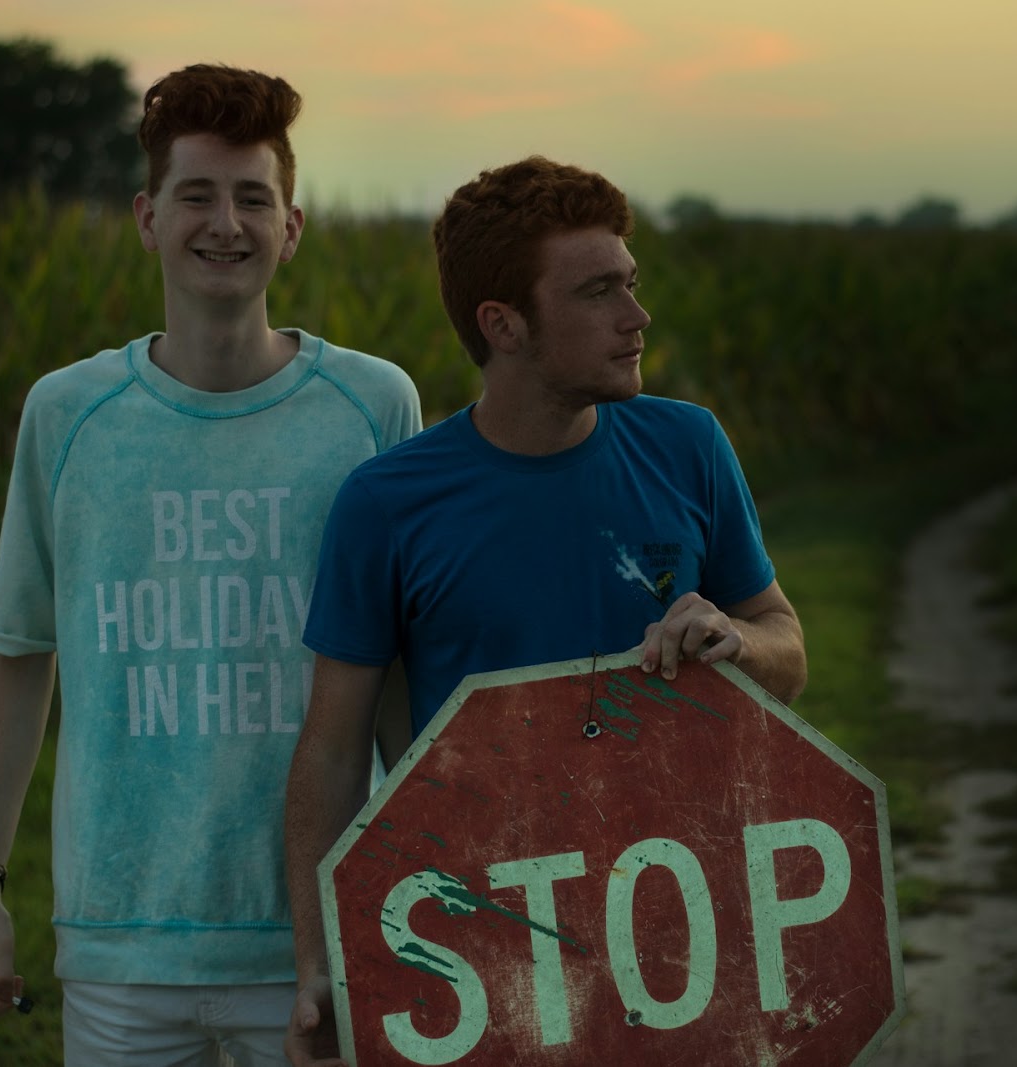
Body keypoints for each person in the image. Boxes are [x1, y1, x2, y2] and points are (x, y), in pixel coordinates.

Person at [281, 155, 806, 1065]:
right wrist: (323, 964)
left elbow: (787, 647)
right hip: (482, 943)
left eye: (632, 285)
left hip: (681, 927)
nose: (637, 317)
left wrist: (737, 643)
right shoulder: (389, 504)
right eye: (600, 293)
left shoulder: (689, 445)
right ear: (505, 324)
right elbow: (331, 750)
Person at [0, 63, 421, 1065]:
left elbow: (400, 672)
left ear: (292, 226)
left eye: (255, 198)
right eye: (196, 194)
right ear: (146, 216)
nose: (226, 222)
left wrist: (429, 878)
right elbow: (20, 650)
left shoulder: (370, 406)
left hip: (318, 932)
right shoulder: (68, 415)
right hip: (122, 942)